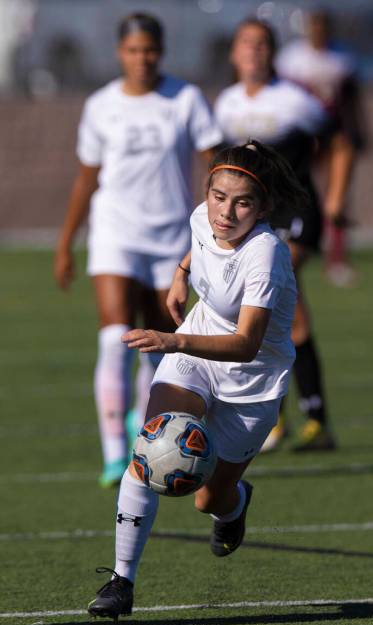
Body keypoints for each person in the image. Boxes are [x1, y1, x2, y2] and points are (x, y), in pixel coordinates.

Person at [87, 141, 303, 619]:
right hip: (196, 353)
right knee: (152, 446)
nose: (226, 212)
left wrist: (173, 341)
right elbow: (202, 238)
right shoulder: (202, 216)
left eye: (242, 202)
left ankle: (234, 506)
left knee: (209, 498)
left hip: (252, 383)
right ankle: (122, 580)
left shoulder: (266, 254)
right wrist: (183, 271)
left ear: (263, 207)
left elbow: (247, 343)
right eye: (218, 196)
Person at [54, 13, 222, 488]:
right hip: (114, 234)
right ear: (119, 53)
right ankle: (112, 454)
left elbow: (215, 164)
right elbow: (87, 178)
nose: (142, 58)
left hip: (171, 236)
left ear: (160, 51)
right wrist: (66, 242)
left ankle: (142, 426)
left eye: (150, 49)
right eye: (133, 50)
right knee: (114, 336)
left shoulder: (185, 98)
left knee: (159, 347)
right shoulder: (101, 105)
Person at [214, 17, 354, 451]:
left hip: (295, 213)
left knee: (273, 301)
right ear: (234, 53)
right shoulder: (226, 104)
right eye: (246, 43)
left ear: (272, 52)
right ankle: (302, 420)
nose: (253, 51)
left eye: (261, 44)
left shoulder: (295, 100)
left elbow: (341, 143)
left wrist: (334, 198)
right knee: (283, 314)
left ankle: (289, 420)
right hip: (253, 219)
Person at [277, 8, 368, 287]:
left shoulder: (343, 58)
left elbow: (352, 99)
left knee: (336, 196)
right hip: (302, 137)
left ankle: (337, 258)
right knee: (293, 187)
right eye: (313, 27)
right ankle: (286, 245)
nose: (318, 32)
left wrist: (357, 131)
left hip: (332, 136)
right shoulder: (291, 58)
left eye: (322, 27)